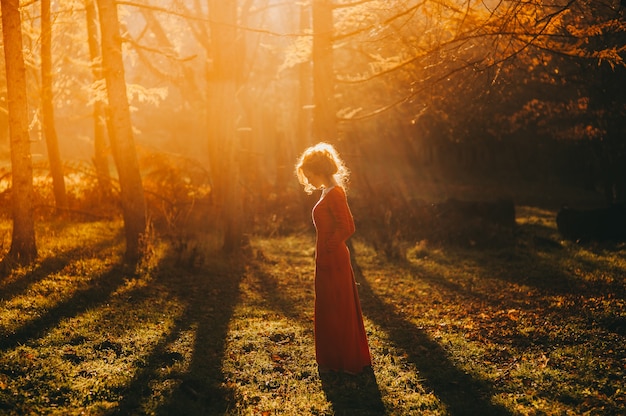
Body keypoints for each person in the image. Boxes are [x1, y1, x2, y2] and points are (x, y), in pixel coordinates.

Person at [295, 142, 372, 375]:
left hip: (334, 259)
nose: (307, 181)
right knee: (329, 307)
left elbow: (347, 226)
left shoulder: (335, 193)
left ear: (319, 171)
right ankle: (332, 358)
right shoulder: (326, 192)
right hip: (326, 259)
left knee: (337, 308)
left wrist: (328, 246)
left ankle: (345, 359)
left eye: (309, 175)